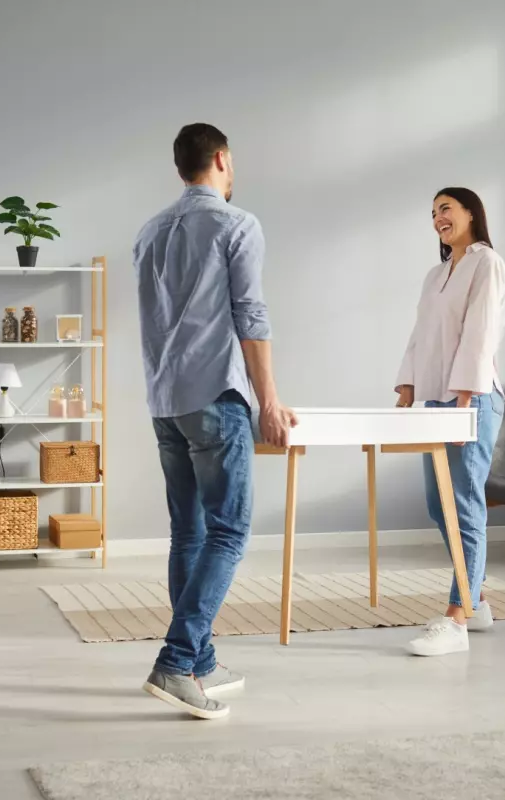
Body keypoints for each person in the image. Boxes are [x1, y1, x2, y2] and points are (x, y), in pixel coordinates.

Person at [134, 122, 296, 719]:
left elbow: (157, 321)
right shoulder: (237, 223)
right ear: (222, 160)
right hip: (213, 398)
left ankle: (199, 662)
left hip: (164, 400)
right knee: (228, 533)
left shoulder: (150, 232)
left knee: (190, 534)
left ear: (182, 167)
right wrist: (270, 402)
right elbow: (249, 315)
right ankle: (176, 661)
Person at [394, 187, 505, 657]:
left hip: (472, 400)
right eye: (433, 212)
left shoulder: (487, 263)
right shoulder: (435, 275)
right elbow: (421, 335)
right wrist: (407, 387)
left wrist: (465, 397)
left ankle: (457, 618)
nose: (438, 218)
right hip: (436, 402)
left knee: (463, 507)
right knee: (436, 504)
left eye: (446, 208)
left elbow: (482, 330)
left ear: (470, 214)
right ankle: (476, 597)